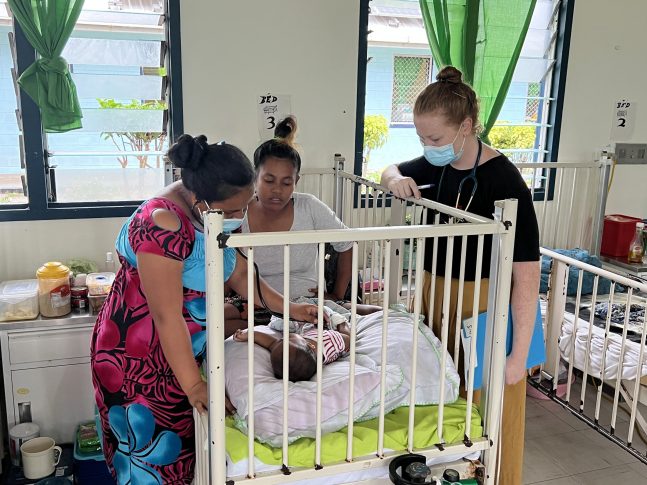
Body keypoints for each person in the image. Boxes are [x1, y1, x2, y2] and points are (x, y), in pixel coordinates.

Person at [90, 135, 321, 484]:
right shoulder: (161, 223)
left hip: (180, 352)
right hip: (138, 359)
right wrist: (195, 385)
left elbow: (242, 274)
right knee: (151, 460)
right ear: (200, 200)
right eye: (230, 211)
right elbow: (166, 316)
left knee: (184, 459)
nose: (239, 216)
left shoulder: (216, 205)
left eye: (245, 206)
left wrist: (291, 309)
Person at [380, 66, 540, 485]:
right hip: (436, 294)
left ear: (465, 127)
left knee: (487, 405)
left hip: (483, 304)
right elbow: (390, 169)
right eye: (421, 139)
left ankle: (496, 476)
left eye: (434, 139)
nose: (428, 147)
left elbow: (526, 272)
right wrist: (397, 179)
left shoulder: (504, 181)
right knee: (441, 400)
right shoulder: (439, 165)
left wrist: (518, 356)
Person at [224, 116, 381, 329]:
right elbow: (226, 266)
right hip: (255, 305)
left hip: (308, 304)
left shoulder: (309, 207)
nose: (277, 190)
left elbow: (347, 243)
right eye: (269, 181)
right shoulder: (238, 212)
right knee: (214, 326)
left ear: (296, 182)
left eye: (286, 182)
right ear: (255, 177)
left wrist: (336, 294)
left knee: (361, 321)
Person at [232, 308, 351, 382]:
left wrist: (249, 334)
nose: (284, 338)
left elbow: (271, 343)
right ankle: (341, 319)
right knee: (328, 313)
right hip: (324, 328)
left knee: (281, 322)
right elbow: (347, 339)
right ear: (311, 345)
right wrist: (341, 325)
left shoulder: (289, 351)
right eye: (289, 338)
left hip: (305, 328)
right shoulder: (329, 341)